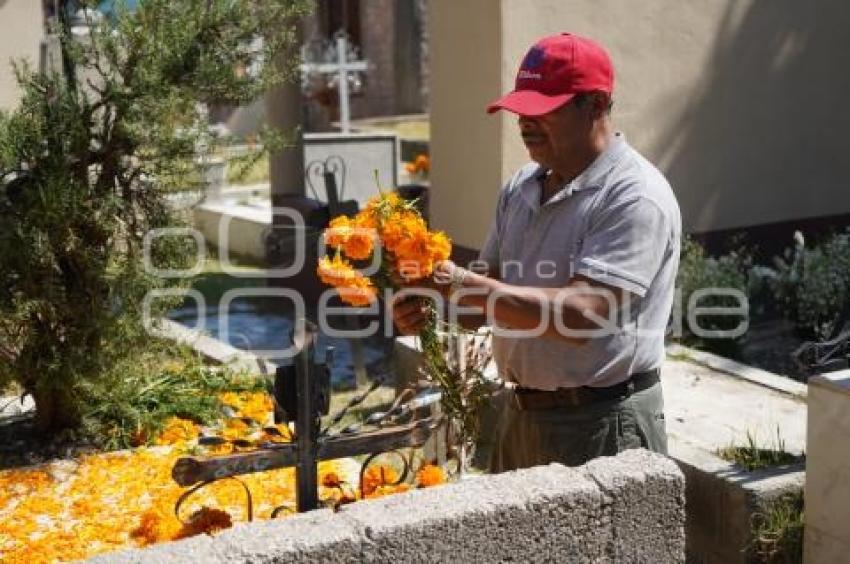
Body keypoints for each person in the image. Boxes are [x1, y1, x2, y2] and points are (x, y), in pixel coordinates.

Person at [392, 32, 681, 471]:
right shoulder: (522, 186)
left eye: (543, 109)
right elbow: (479, 308)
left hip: (602, 422)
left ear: (597, 105)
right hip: (522, 416)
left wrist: (460, 283)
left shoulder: (633, 195)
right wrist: (429, 303)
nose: (525, 122)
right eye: (520, 109)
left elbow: (583, 314)